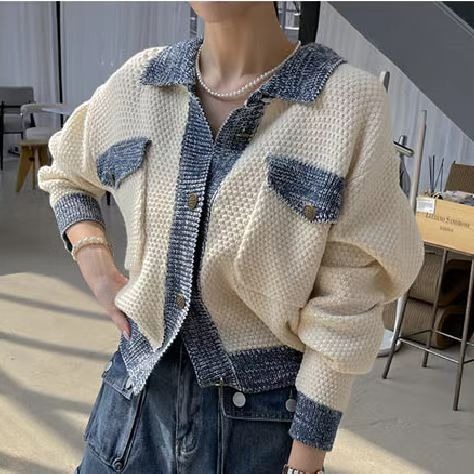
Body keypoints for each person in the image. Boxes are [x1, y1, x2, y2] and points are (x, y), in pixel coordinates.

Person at [37, 2, 425, 473]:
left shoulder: (346, 103)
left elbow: (351, 295)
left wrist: (306, 456)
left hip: (257, 430)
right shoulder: (142, 82)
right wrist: (97, 267)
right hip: (129, 412)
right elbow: (66, 174)